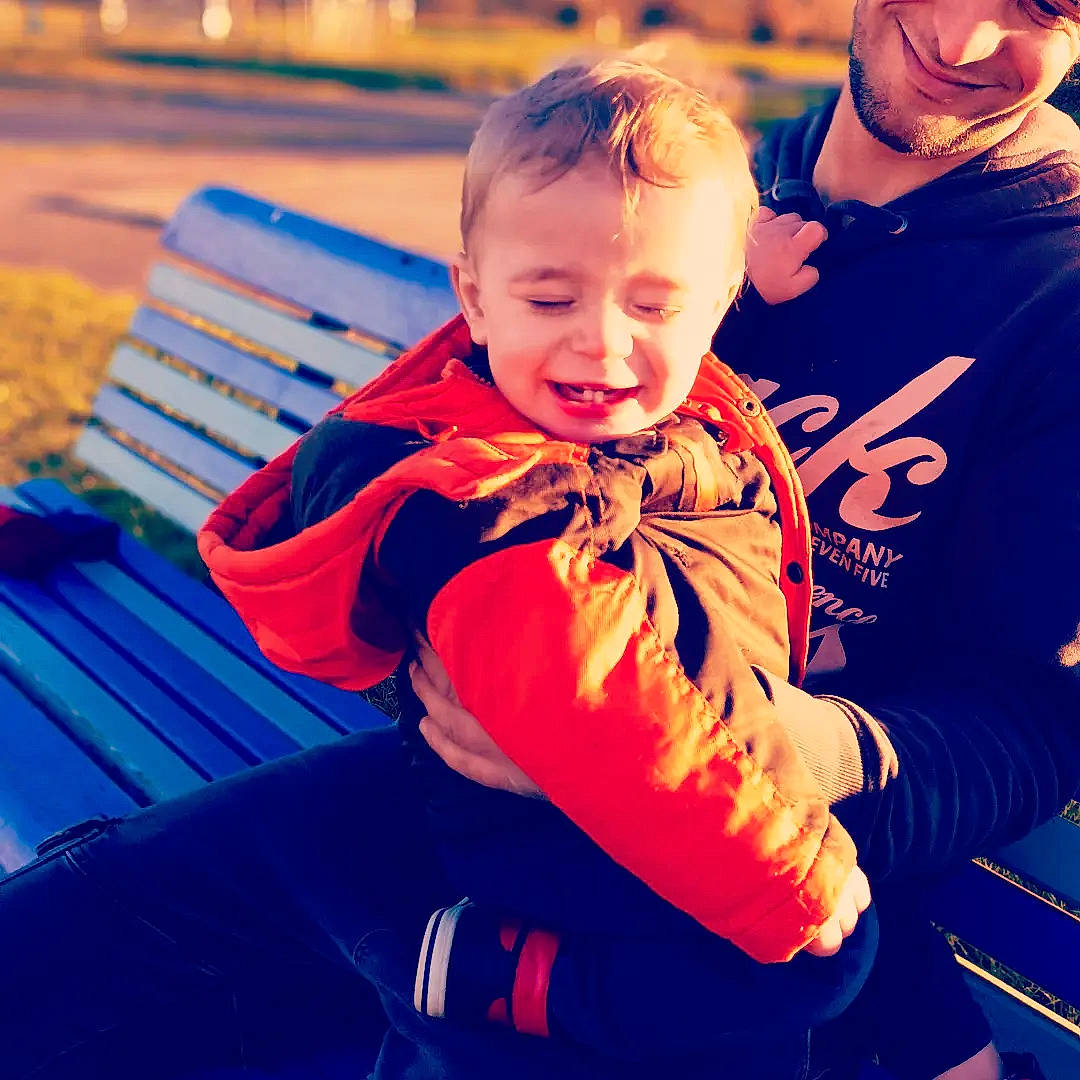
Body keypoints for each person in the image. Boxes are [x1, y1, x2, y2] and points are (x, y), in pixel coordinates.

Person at [408, 1, 1080, 1077]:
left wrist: (694, 758)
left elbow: (1030, 723)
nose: (958, 41)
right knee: (100, 929)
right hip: (514, 792)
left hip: (771, 843)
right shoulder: (709, 180)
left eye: (1046, 4)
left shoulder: (1058, 301)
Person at [200, 56, 876, 1069]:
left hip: (665, 804)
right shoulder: (490, 499)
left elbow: (628, 276)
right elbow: (592, 689)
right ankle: (476, 976)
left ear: (719, 300)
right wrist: (786, 866)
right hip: (578, 839)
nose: (603, 347)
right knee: (821, 963)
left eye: (655, 308)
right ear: (474, 301)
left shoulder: (587, 395)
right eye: (552, 301)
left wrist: (740, 278)